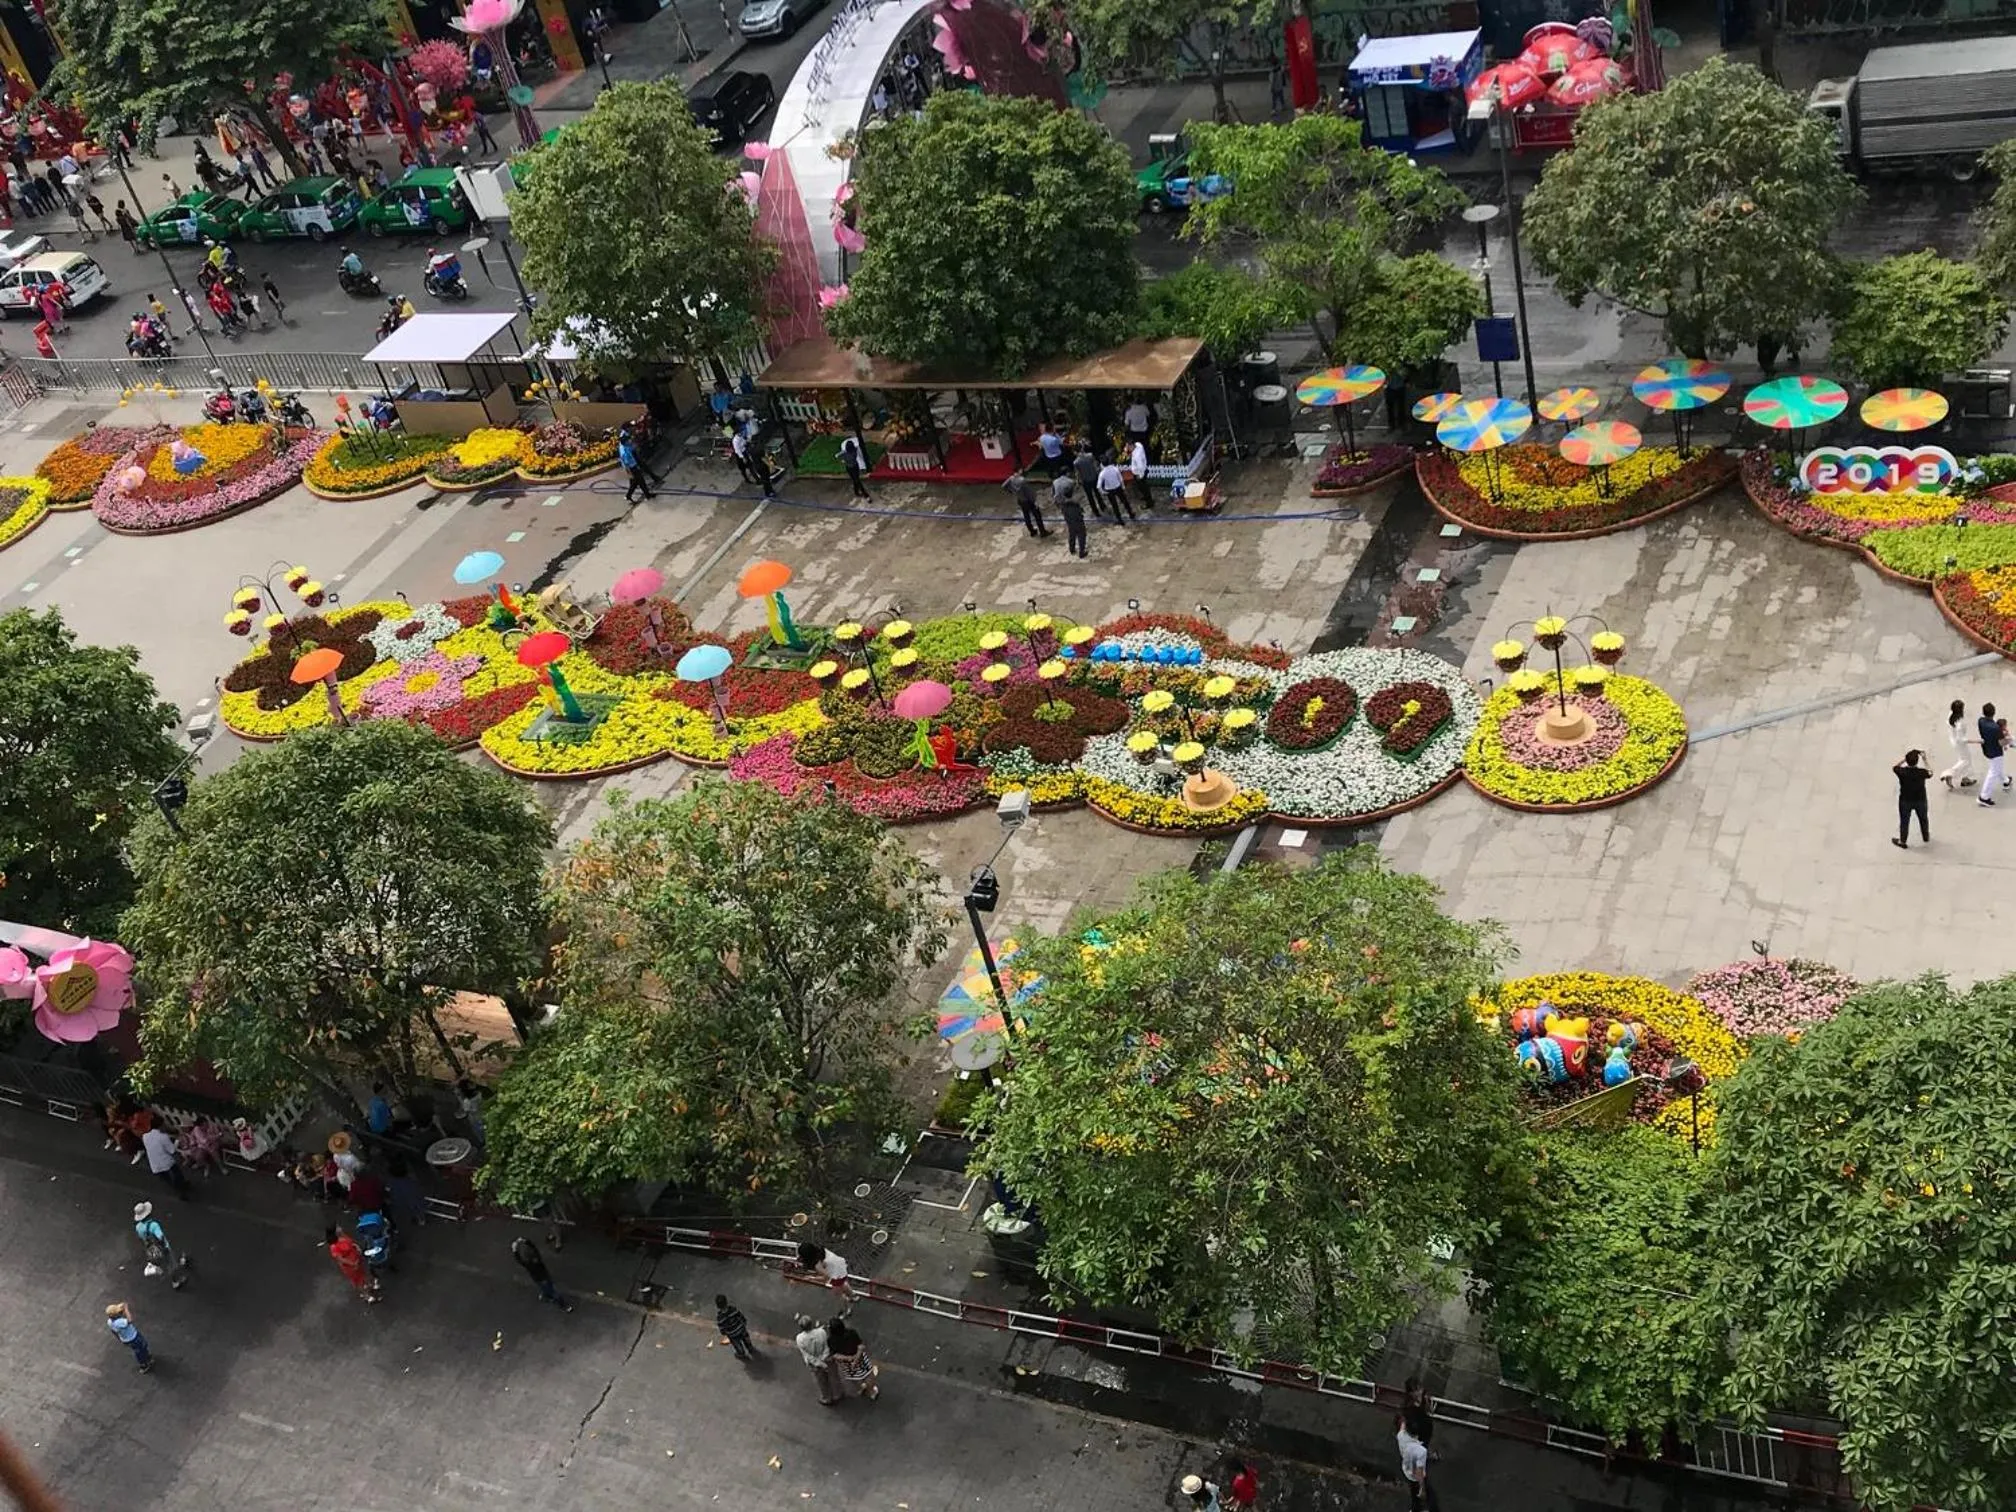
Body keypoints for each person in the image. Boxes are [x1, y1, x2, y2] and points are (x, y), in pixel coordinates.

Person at [133, 1201, 191, 1290]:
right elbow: (160, 1237)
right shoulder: (153, 1225)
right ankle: (176, 1281)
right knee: (171, 1264)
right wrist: (165, 1247)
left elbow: (141, 1238)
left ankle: (174, 1276)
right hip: (162, 1248)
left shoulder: (138, 1227)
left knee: (164, 1262)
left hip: (151, 1248)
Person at [511, 1236, 573, 1310]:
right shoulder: (538, 1258)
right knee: (550, 1289)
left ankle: (562, 1305)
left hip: (538, 1279)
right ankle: (550, 1297)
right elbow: (533, 1247)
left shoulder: (528, 1265)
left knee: (552, 1292)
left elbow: (519, 1259)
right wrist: (525, 1241)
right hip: (545, 1276)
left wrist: (514, 1249)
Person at [794, 1313, 841, 1405]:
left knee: (821, 1381)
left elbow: (807, 1355)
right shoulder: (821, 1332)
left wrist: (819, 1363)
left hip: (814, 1364)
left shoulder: (799, 1338)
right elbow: (826, 1347)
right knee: (834, 1376)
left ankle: (826, 1398)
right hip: (827, 1359)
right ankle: (837, 1394)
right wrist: (824, 1358)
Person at [827, 1316, 879, 1399]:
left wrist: (849, 1359)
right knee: (867, 1376)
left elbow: (835, 1355)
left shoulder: (831, 1340)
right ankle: (872, 1392)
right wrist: (856, 1359)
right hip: (860, 1359)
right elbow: (861, 1346)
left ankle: (860, 1388)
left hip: (846, 1364)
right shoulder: (851, 1332)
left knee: (853, 1378)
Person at [327, 1225, 380, 1302]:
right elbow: (341, 1259)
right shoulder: (334, 1246)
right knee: (358, 1281)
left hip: (357, 1259)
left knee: (363, 1274)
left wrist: (356, 1246)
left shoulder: (343, 1236)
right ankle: (365, 1295)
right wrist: (353, 1264)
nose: (340, 1228)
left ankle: (368, 1286)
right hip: (350, 1266)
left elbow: (350, 1242)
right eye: (338, 1228)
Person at [1396, 1416, 1438, 1511]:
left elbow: (1402, 1425)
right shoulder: (1420, 1451)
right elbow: (1420, 1471)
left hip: (1407, 1469)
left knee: (1413, 1491)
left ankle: (1415, 1507)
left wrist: (1404, 1419)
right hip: (1415, 1475)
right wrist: (1422, 1488)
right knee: (1428, 1495)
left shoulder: (1401, 1436)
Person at [1894, 749, 1931, 849]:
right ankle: (1925, 836)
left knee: (1904, 821)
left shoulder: (1902, 772)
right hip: (1920, 799)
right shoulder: (1921, 772)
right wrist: (1925, 759)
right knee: (1923, 818)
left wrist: (1904, 760)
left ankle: (1902, 841)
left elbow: (1895, 767)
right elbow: (1930, 772)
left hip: (1905, 800)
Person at [141, 1122, 190, 1198]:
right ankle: (182, 1188)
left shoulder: (145, 1136)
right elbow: (172, 1150)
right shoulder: (163, 1136)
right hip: (167, 1162)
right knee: (177, 1175)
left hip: (155, 1165)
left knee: (167, 1179)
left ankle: (178, 1190)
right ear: (160, 1126)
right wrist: (177, 1141)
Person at [105, 1302, 154, 1372]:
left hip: (126, 1339)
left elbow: (114, 1331)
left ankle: (146, 1358)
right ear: (115, 1315)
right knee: (140, 1350)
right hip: (133, 1337)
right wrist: (126, 1309)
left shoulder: (110, 1322)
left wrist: (120, 1339)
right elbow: (130, 1320)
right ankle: (144, 1364)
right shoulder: (119, 1322)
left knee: (140, 1348)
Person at [1003, 469, 1048, 538]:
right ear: (1019, 471)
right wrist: (1035, 501)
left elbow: (1003, 486)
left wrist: (1011, 491)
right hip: (1028, 501)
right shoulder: (1022, 480)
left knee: (1026, 516)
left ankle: (1032, 531)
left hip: (1021, 500)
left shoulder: (1011, 478)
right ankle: (1042, 532)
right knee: (1037, 516)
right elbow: (1029, 493)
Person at [1978, 701, 2005, 806]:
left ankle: (2005, 780)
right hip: (1996, 752)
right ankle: (1984, 797)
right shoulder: (1996, 728)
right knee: (1993, 772)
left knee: (1997, 767)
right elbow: (2001, 742)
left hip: (1987, 749)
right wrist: (2009, 740)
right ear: (1994, 712)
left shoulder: (1981, 721)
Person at [618, 429, 655, 501]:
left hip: (634, 466)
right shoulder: (624, 452)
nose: (630, 441)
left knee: (635, 483)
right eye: (628, 440)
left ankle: (628, 496)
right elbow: (626, 465)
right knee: (641, 481)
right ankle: (647, 495)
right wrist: (630, 473)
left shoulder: (627, 446)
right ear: (625, 442)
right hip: (632, 469)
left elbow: (633, 450)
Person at [716, 1293, 755, 1360]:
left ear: (718, 1306)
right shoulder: (733, 1310)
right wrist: (744, 1322)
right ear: (726, 1302)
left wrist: (724, 1333)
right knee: (746, 1339)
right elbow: (740, 1316)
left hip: (732, 1334)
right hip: (741, 1328)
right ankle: (750, 1348)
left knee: (737, 1344)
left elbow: (722, 1328)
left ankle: (741, 1353)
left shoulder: (720, 1317)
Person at [1096, 454, 1134, 522]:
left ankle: (1120, 519)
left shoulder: (1102, 473)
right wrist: (1123, 487)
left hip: (1109, 490)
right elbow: (1121, 479)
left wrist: (1103, 492)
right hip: (1118, 487)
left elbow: (1098, 486)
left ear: (1102, 464)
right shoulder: (1115, 469)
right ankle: (1131, 514)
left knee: (1114, 505)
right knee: (1125, 501)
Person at [1057, 478, 1088, 559]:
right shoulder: (1074, 504)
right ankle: (1082, 552)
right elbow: (1079, 514)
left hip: (1069, 522)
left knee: (1072, 535)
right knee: (1082, 536)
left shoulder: (1063, 504)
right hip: (1078, 523)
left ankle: (1072, 549)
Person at [1072, 444, 1104, 520]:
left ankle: (1095, 511)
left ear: (1075, 452)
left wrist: (1077, 482)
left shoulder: (1076, 462)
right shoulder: (1090, 455)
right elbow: (1095, 465)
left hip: (1086, 481)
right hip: (1094, 477)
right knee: (1097, 493)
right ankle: (1102, 506)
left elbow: (1078, 473)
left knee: (1090, 497)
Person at [838, 433, 870, 499]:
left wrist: (843, 460)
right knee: (856, 480)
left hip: (849, 468)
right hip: (855, 466)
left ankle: (859, 492)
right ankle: (863, 494)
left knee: (856, 480)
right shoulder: (854, 452)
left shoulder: (845, 454)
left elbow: (838, 456)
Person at [1129, 436, 1155, 509]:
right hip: (1142, 469)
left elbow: (1140, 467)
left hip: (1139, 473)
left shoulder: (1137, 455)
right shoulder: (1138, 445)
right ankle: (1147, 497)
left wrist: (1140, 476)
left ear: (1131, 445)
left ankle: (1149, 502)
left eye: (1128, 446)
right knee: (1143, 487)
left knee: (1144, 488)